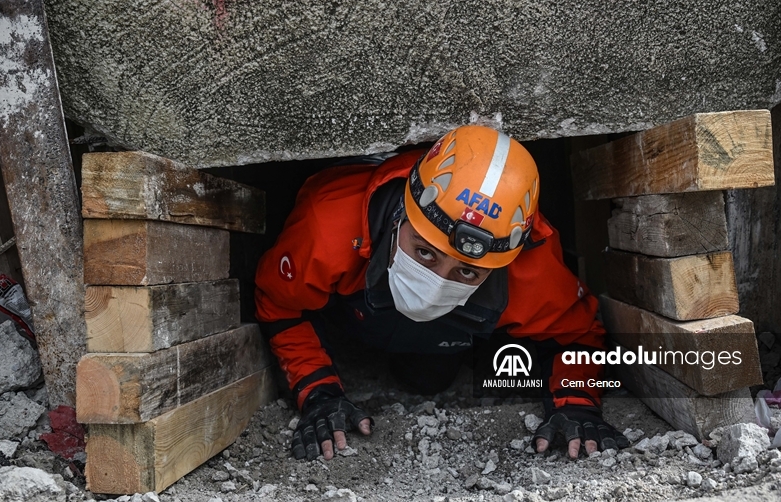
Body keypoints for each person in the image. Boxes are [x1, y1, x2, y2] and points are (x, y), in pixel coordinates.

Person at [254, 125, 628, 461]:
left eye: (466, 270)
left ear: (501, 263)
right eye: (425, 252)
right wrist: (318, 391)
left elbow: (576, 334)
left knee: (428, 379)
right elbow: (280, 303)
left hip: (448, 337)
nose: (434, 284)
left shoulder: (530, 270)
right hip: (350, 312)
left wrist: (576, 403)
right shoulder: (329, 225)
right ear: (402, 213)